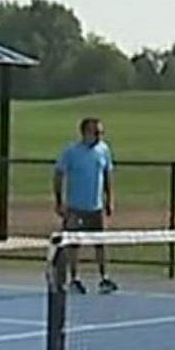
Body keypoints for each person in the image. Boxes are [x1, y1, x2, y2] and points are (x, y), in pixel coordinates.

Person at [54, 117, 117, 294]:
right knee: (73, 244)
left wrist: (109, 199)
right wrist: (59, 202)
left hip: (95, 207)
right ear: (85, 133)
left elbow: (107, 174)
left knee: (100, 244)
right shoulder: (71, 152)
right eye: (96, 132)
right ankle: (74, 279)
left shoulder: (104, 150)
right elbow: (59, 174)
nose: (99, 136)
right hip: (75, 207)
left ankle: (104, 278)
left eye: (101, 133)